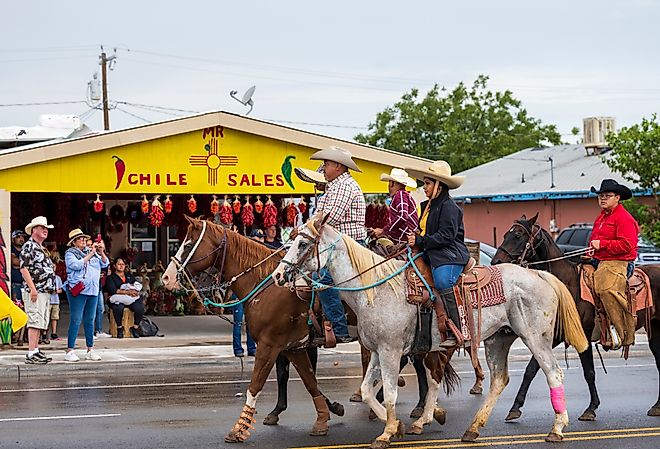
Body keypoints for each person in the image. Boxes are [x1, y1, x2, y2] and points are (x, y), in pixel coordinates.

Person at [406, 161, 469, 350]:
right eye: (424, 183)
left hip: (449, 254)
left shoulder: (449, 207)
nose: (424, 187)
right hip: (431, 253)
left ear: (439, 186)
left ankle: (456, 329)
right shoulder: (428, 206)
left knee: (442, 282)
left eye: (427, 183)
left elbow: (446, 236)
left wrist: (419, 241)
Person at [308, 146, 366, 344]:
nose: (323, 167)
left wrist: (306, 229)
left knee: (322, 278)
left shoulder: (344, 187)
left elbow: (327, 220)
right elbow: (318, 215)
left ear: (339, 166)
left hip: (349, 245)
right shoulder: (334, 186)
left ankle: (339, 328)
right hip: (338, 244)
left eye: (327, 163)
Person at [588, 179, 639, 350]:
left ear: (617, 197)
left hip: (620, 262)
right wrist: (591, 251)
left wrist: (602, 245)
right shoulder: (601, 217)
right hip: (600, 260)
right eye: (601, 196)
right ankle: (594, 324)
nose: (602, 199)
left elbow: (627, 245)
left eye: (607, 196)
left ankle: (623, 331)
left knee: (606, 288)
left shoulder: (624, 218)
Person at [64, 228, 109, 362]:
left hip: (93, 290)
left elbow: (105, 263)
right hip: (78, 290)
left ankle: (90, 349)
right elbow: (76, 265)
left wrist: (101, 252)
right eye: (80, 239)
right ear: (74, 242)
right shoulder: (70, 254)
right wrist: (91, 253)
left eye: (84, 238)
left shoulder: (92, 252)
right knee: (76, 319)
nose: (84, 241)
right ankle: (70, 350)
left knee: (90, 320)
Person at [19, 216, 57, 364]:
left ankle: (35, 349)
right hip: (36, 290)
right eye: (42, 228)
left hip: (44, 290)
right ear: (34, 230)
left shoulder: (40, 247)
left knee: (40, 320)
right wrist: (32, 288)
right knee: (35, 320)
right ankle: (31, 352)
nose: (45, 230)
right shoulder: (29, 246)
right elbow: (24, 268)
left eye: (46, 228)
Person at [371, 168, 419, 245]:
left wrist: (384, 231)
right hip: (405, 238)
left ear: (392, 183)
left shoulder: (400, 195)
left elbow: (403, 216)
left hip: (404, 240)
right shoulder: (403, 195)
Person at [105, 257, 145, 338]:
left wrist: (135, 292)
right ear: (115, 266)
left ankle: (135, 327)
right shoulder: (111, 277)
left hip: (130, 298)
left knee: (140, 307)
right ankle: (119, 328)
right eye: (119, 264)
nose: (121, 266)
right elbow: (112, 290)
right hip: (115, 299)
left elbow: (136, 285)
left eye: (122, 264)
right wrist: (127, 292)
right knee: (118, 308)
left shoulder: (129, 276)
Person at [85, 238, 111, 339]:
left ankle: (98, 330)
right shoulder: (84, 255)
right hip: (87, 287)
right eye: (88, 245)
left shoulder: (96, 255)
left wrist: (101, 251)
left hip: (97, 286)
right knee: (89, 311)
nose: (91, 247)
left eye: (92, 245)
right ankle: (90, 332)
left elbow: (105, 263)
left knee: (100, 308)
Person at [10, 230, 27, 346]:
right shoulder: (11, 250)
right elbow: (14, 262)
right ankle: (15, 335)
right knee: (16, 309)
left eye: (22, 237)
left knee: (26, 310)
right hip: (15, 285)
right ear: (13, 239)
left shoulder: (26, 249)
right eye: (18, 237)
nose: (21, 239)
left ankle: (23, 336)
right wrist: (26, 262)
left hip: (25, 285)